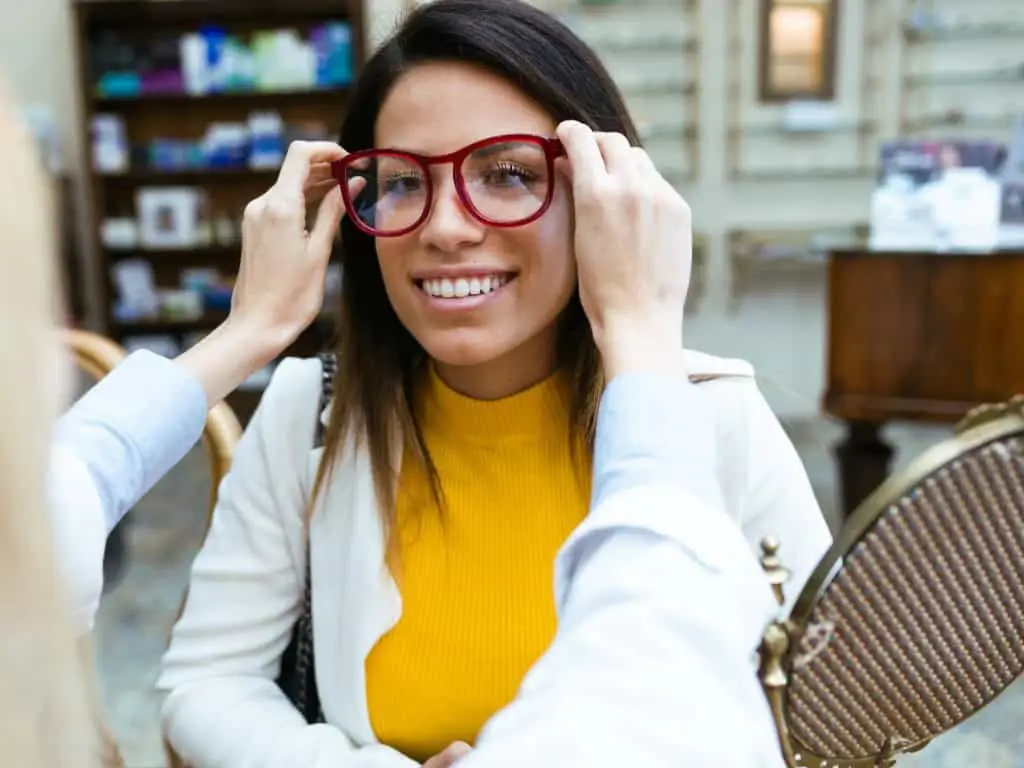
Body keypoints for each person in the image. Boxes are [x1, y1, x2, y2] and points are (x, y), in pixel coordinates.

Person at [158, 1, 831, 766]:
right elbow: (205, 682)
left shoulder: (710, 418)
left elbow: (825, 720)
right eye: (402, 182)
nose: (445, 228)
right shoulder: (309, 413)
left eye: (507, 174)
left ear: (606, 197)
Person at [50, 138, 355, 633]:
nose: (448, 231)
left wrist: (253, 328)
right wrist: (253, 327)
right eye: (403, 183)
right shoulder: (299, 397)